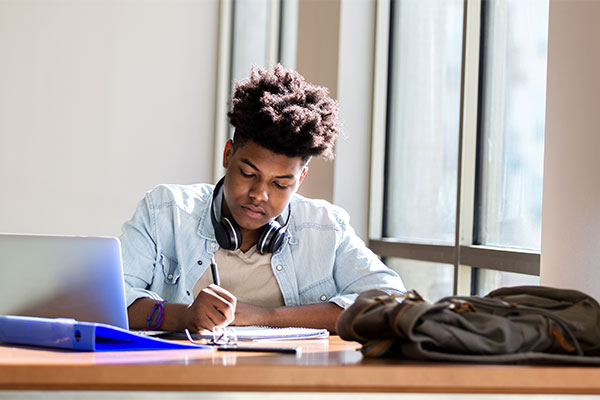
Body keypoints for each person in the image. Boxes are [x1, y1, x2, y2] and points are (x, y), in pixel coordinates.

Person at [120, 64, 405, 333]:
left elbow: (390, 301)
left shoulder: (325, 228)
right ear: (228, 155)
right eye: (247, 173)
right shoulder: (165, 211)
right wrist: (183, 316)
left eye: (281, 184)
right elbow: (112, 301)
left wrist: (262, 316)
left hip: (287, 383)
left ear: (300, 180)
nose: (259, 194)